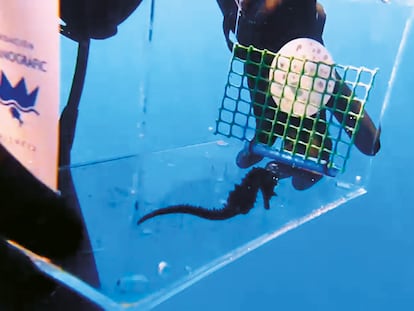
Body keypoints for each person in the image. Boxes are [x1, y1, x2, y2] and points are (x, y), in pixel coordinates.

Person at [216, 0, 381, 190]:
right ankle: (302, 151)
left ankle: (305, 152)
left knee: (304, 141)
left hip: (291, 50)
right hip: (270, 52)